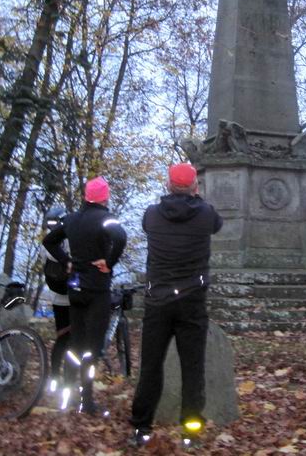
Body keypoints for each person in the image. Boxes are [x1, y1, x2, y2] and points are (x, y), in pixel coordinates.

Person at [130, 163, 223, 448]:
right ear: (195, 186)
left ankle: (141, 428)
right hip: (191, 301)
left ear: (168, 186)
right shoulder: (206, 214)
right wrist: (197, 197)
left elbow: (150, 224)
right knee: (192, 368)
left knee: (151, 367)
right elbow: (217, 224)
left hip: (158, 300)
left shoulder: (152, 215)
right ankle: (191, 432)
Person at [42, 177, 127, 415]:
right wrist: (108, 263)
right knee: (92, 348)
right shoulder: (104, 218)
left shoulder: (71, 219)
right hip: (97, 291)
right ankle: (86, 401)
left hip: (75, 289)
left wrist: (67, 260)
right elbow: (120, 237)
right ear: (104, 197)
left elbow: (49, 241)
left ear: (85, 196)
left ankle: (67, 395)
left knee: (74, 345)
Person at [42, 206, 71, 395]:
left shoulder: (46, 242)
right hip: (69, 296)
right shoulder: (67, 240)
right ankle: (67, 381)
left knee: (61, 338)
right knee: (72, 340)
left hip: (57, 297)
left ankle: (54, 377)